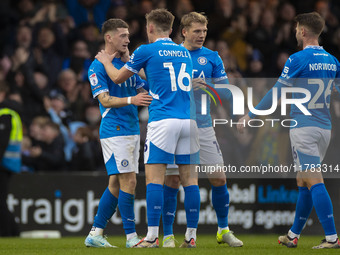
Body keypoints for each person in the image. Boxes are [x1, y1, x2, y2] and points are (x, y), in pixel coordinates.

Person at [95, 9, 200, 248]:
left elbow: (119, 78)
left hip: (163, 121)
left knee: (155, 179)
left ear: (150, 28)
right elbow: (157, 77)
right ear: (172, 30)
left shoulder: (145, 50)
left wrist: (104, 61)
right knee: (190, 181)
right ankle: (191, 237)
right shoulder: (183, 51)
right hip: (188, 121)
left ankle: (152, 236)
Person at [237, 12, 339, 249]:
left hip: (303, 128)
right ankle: (293, 235)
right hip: (324, 128)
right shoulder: (333, 61)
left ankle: (332, 238)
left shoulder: (296, 59)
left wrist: (250, 114)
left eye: (296, 29)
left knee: (313, 180)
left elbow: (276, 93)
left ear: (302, 31)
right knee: (303, 180)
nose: (295, 32)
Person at [161, 12, 243, 248]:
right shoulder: (171, 55)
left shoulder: (212, 57)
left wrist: (208, 86)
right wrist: (187, 87)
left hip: (204, 125)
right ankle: (168, 235)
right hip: (176, 123)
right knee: (174, 180)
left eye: (204, 31)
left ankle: (223, 230)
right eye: (197, 31)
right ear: (184, 32)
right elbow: (160, 88)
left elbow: (226, 91)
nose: (202, 35)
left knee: (218, 177)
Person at [84, 18, 152, 248]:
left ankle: (95, 233)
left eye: (128, 35)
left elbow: (147, 88)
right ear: (109, 37)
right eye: (123, 35)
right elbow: (104, 99)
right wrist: (132, 99)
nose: (128, 39)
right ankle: (131, 238)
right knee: (129, 181)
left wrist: (137, 69)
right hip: (115, 129)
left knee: (115, 183)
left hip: (132, 128)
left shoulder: (128, 66)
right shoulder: (97, 66)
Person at [0, 80, 22, 236]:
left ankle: (11, 232)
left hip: (4, 164)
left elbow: (1, 143)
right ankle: (11, 232)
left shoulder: (5, 114)